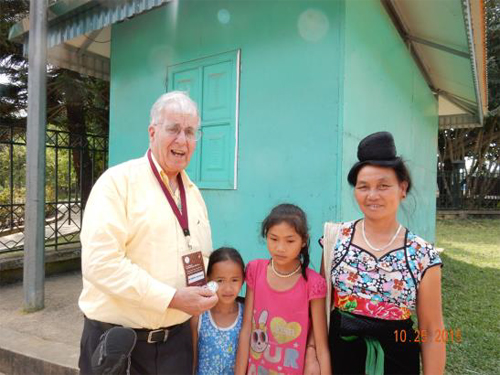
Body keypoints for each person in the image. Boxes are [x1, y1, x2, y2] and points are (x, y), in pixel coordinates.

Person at [78, 91, 218, 375]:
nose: (182, 140)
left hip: (176, 345)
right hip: (119, 348)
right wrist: (171, 297)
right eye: (173, 129)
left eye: (190, 132)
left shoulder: (194, 194)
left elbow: (200, 256)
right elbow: (100, 264)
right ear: (152, 132)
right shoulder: (117, 183)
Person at [308, 131, 446, 374]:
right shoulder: (335, 239)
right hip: (341, 358)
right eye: (364, 187)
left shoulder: (423, 255)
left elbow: (432, 328)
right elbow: (320, 306)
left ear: (402, 188)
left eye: (383, 186)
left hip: (398, 361)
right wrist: (312, 354)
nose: (372, 195)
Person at [235, 204, 331, 375]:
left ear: (303, 241)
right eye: (273, 239)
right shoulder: (255, 270)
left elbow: (322, 347)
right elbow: (246, 330)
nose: (280, 248)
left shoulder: (313, 283)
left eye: (290, 240)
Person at [191, 247, 245, 375]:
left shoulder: (246, 316)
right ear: (209, 280)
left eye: (234, 280)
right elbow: (192, 360)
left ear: (243, 280)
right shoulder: (199, 315)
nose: (228, 288)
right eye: (220, 280)